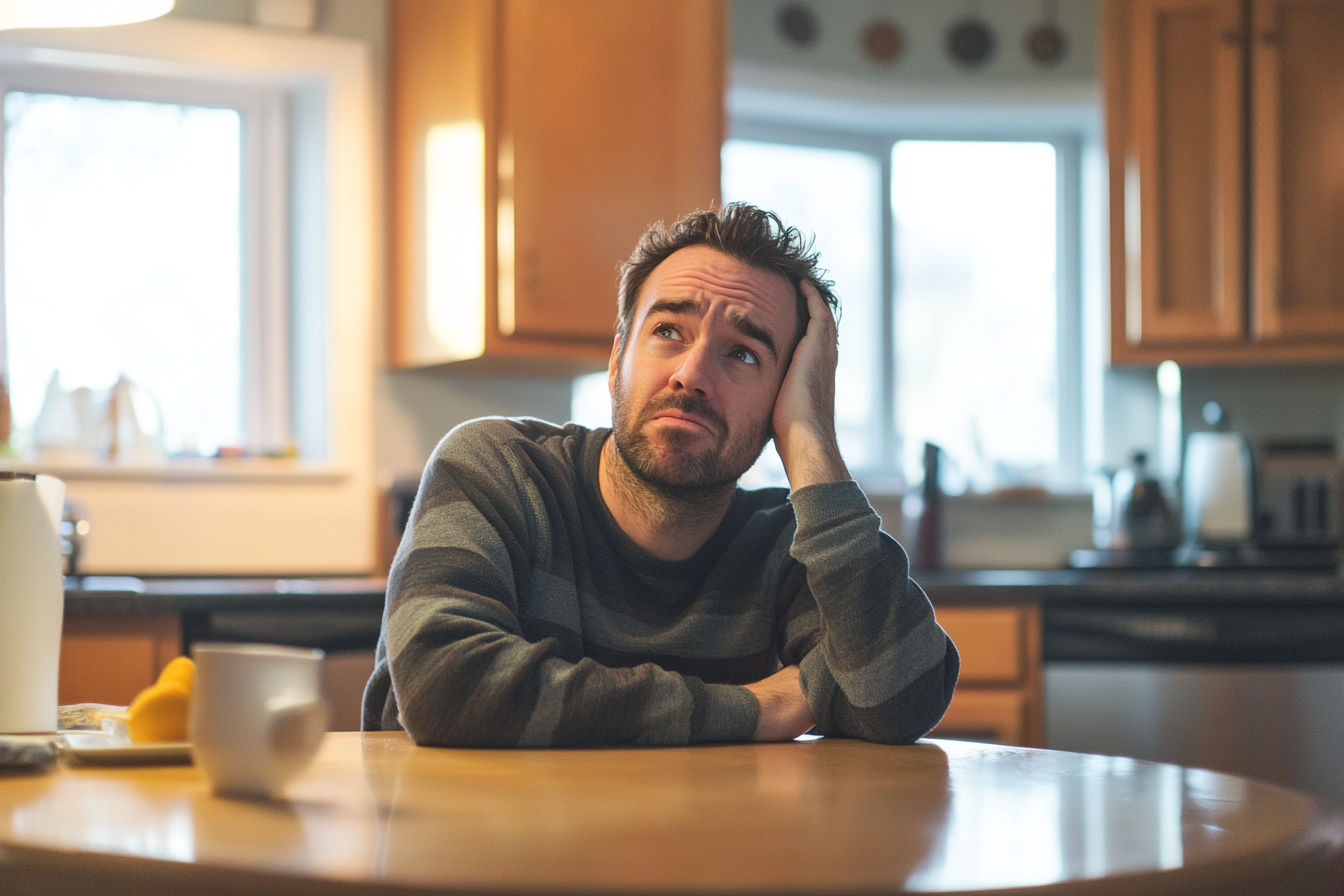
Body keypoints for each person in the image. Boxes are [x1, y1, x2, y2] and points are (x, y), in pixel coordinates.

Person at [363, 202, 959, 746]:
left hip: (698, 858)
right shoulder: (499, 470)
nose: (693, 374)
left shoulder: (785, 548)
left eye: (743, 353)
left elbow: (899, 704)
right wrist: (754, 707)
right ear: (618, 358)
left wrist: (812, 441)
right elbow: (448, 688)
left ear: (782, 397)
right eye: (669, 331)